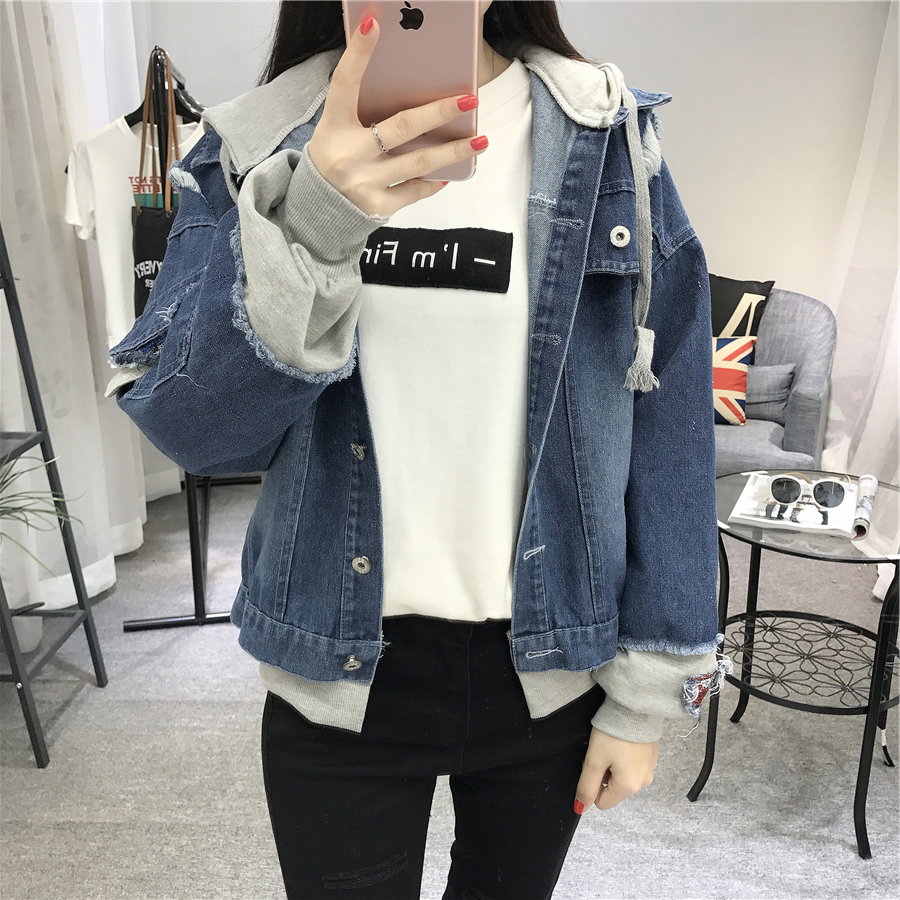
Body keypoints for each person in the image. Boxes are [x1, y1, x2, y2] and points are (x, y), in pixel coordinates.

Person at [106, 2, 732, 898]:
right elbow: (201, 435)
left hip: (548, 667)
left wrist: (648, 695)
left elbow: (667, 419)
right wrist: (314, 217)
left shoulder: (607, 141)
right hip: (336, 670)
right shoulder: (255, 147)